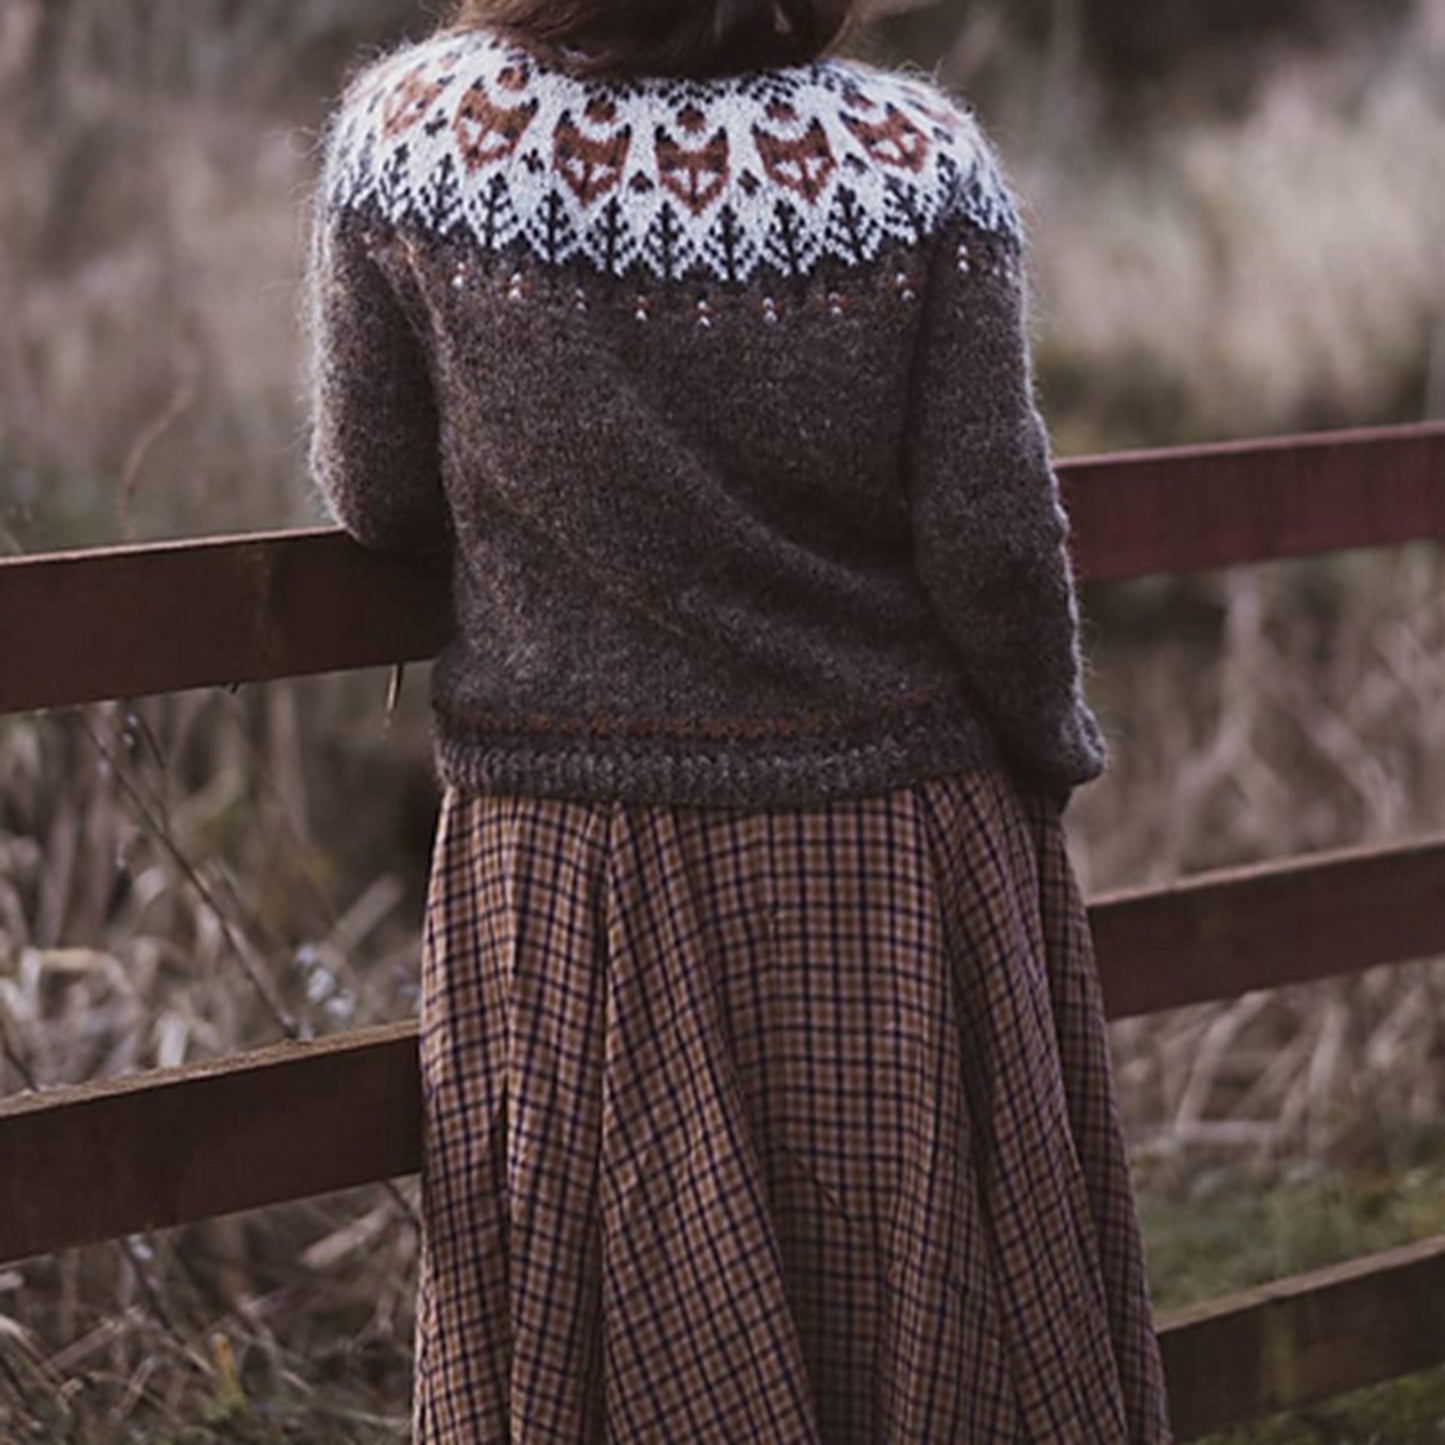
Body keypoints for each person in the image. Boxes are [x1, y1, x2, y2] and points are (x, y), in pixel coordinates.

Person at [303, 0, 1174, 1439]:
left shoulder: (414, 139)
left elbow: (379, 497)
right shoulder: (917, 161)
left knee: (611, 1323)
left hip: (573, 856)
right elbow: (992, 536)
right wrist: (1047, 742)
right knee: (925, 1315)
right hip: (886, 842)